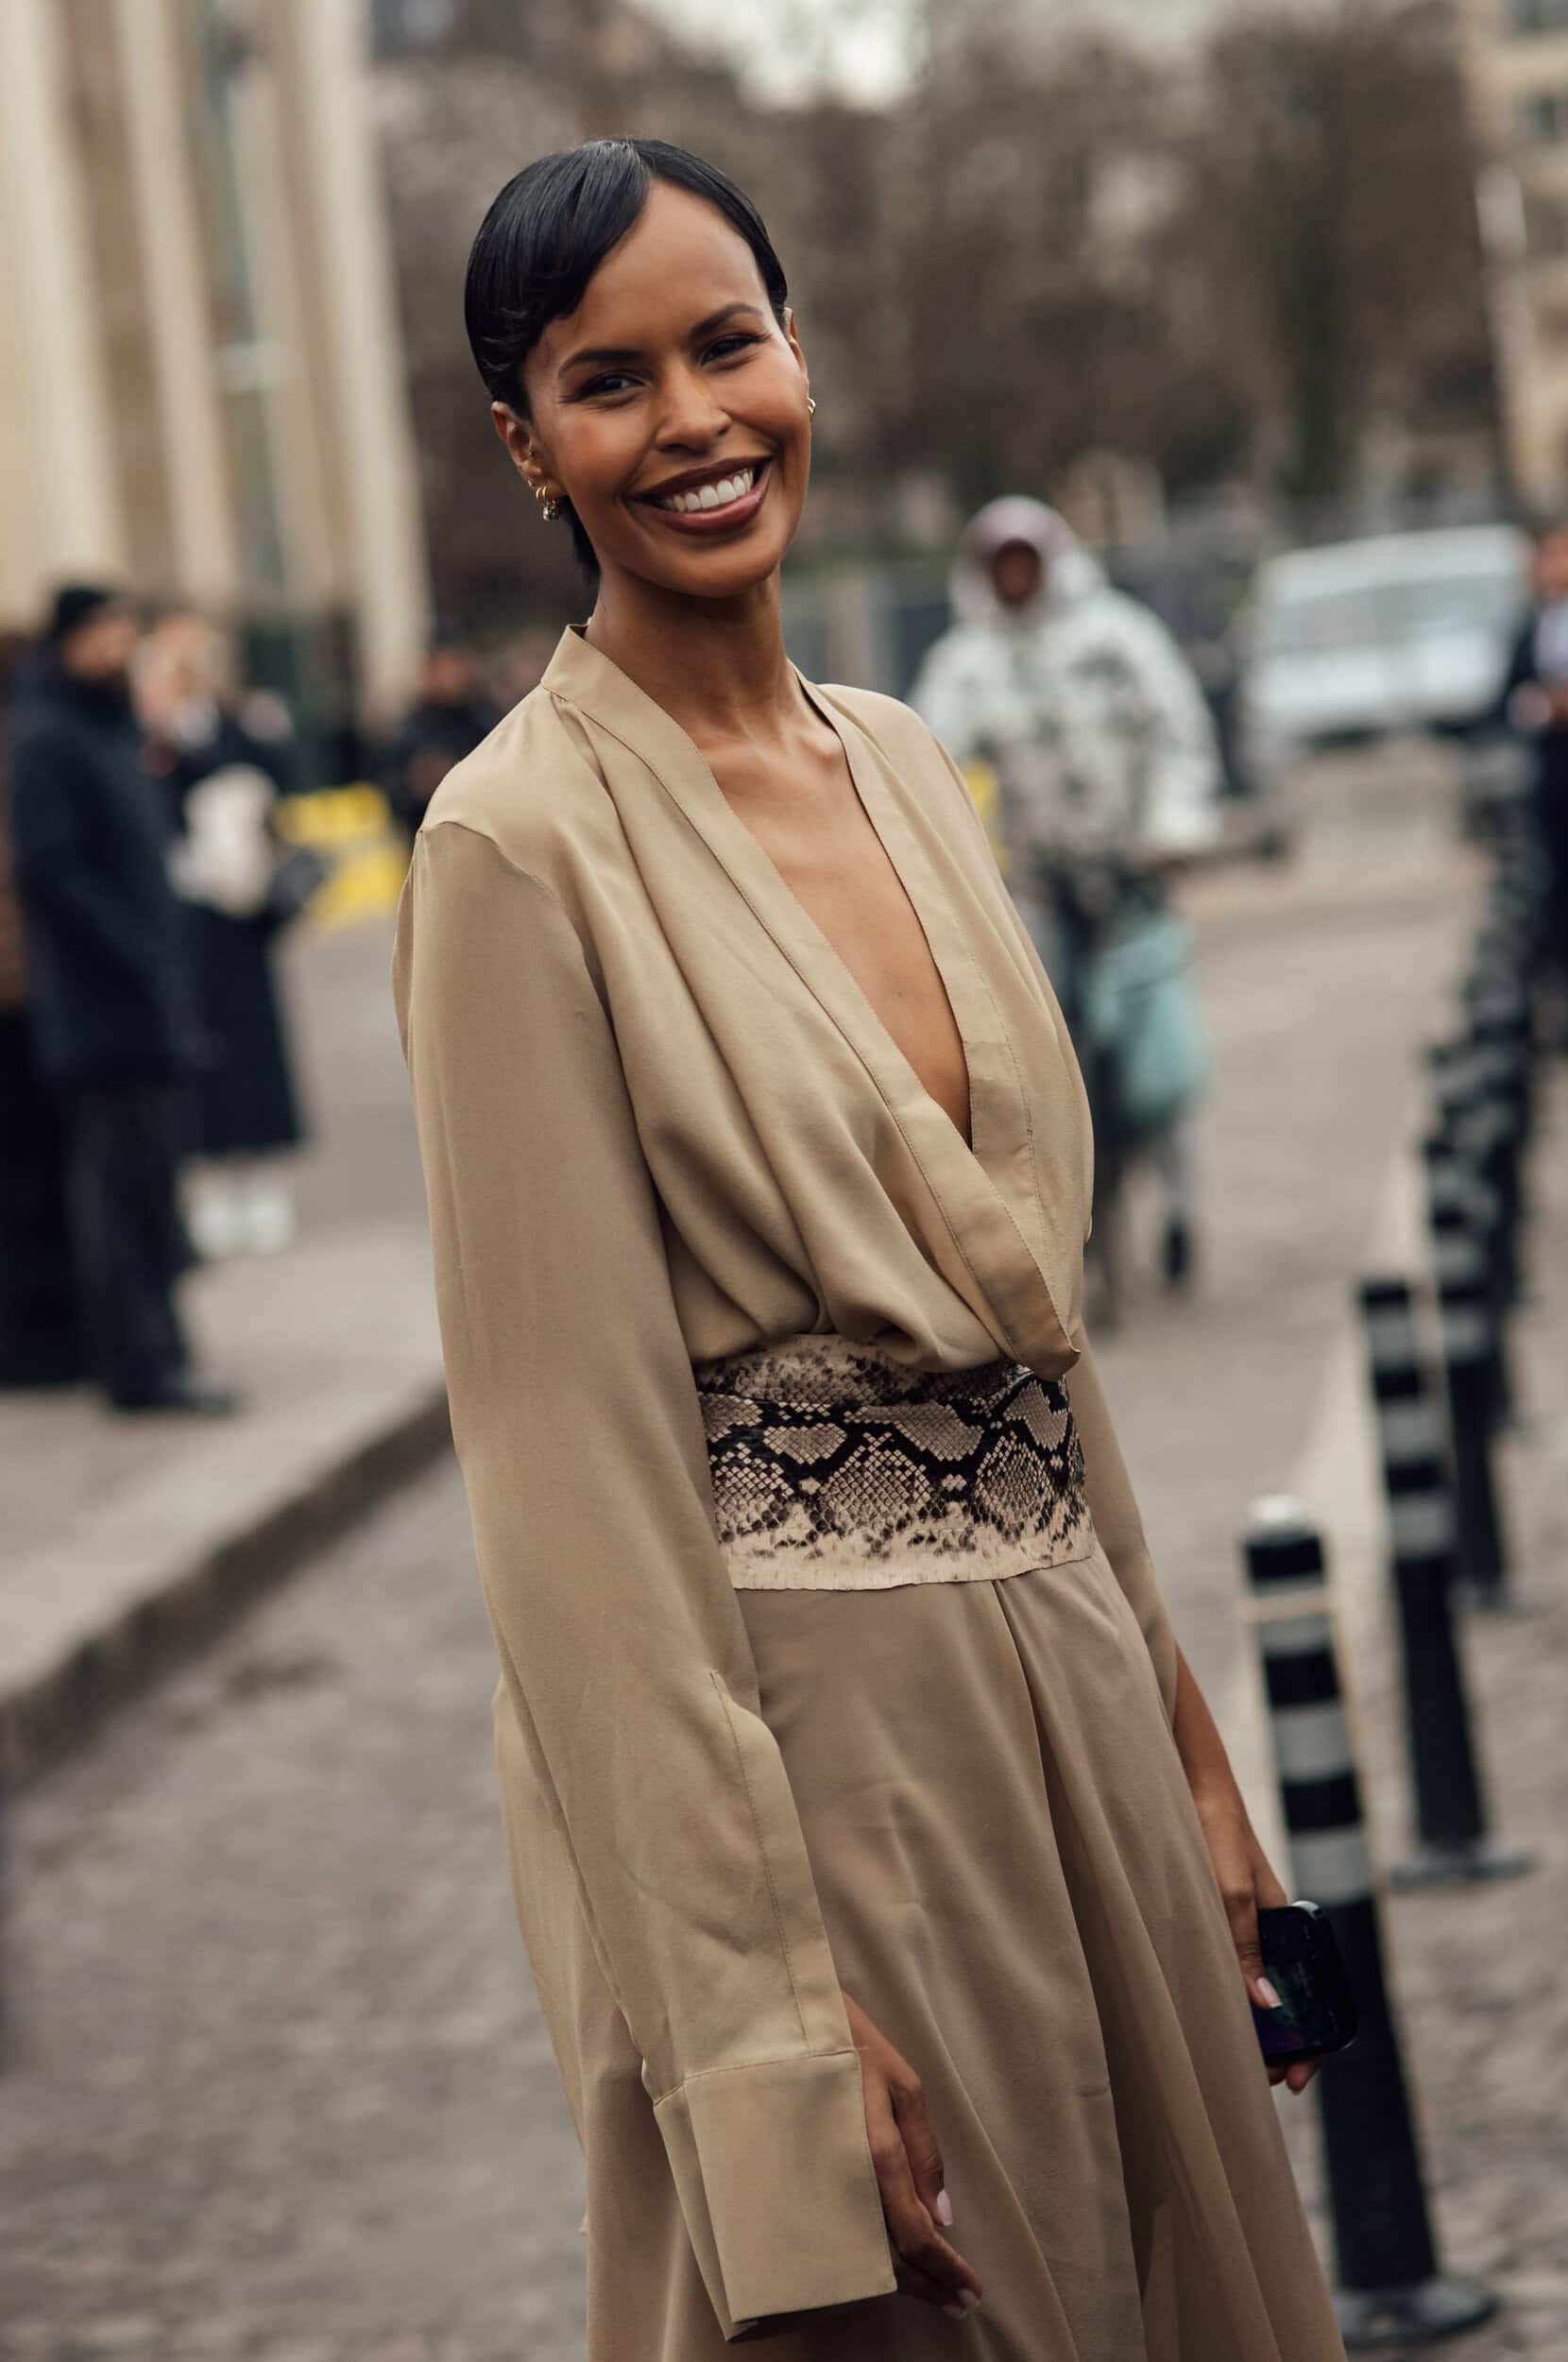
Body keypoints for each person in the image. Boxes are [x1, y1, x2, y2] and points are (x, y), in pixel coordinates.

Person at [393, 140, 1345, 2361]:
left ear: (801, 350)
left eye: (730, 342)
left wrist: (1200, 1777)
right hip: (818, 1764)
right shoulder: (511, 848)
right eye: (608, 381)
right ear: (528, 446)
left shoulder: (914, 764)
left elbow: (1041, 1334)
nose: (696, 420)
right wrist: (764, 2014)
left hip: (1083, 1710)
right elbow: (571, 1496)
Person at [912, 499, 1221, 1292]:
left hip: (1131, 873)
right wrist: (963, 868)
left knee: (1153, 1052)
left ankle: (1179, 1200)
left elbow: (1178, 732)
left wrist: (1172, 828)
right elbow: (928, 771)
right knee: (1045, 1054)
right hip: (1038, 890)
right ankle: (1079, 1213)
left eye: (1028, 560)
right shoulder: (966, 662)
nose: (1015, 577)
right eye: (1000, 564)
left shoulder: (1117, 638)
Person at [9, 586, 235, 1416]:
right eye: (104, 633)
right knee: (117, 1193)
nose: (117, 646)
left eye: (122, 632)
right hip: (98, 1009)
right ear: (70, 640)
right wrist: (136, 951)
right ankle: (136, 1367)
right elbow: (50, 871)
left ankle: (164, 1351)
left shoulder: (108, 726)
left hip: (146, 1001)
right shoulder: (45, 737)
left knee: (152, 1189)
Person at [139, 613, 309, 1257]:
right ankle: (212, 1183)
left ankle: (261, 1177)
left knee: (253, 1046)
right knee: (198, 1051)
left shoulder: (241, 724)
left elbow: (273, 786)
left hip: (241, 914)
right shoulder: (152, 735)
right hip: (186, 918)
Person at [0, 627, 85, 1389]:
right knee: (30, 1176)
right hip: (21, 995)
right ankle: (35, 1343)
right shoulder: (28, 745)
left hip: (29, 991)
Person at [1498, 520, 1568, 1050]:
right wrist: (1544, 706)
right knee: (1559, 893)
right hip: (1556, 782)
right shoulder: (1529, 628)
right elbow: (1504, 700)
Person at [379, 623, 503, 843]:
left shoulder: (484, 718)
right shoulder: (410, 728)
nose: (448, 673)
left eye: (453, 663)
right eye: (440, 665)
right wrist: (418, 784)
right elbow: (391, 796)